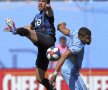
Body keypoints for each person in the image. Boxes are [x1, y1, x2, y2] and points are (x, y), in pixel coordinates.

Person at [5, 0, 56, 90]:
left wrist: (48, 7)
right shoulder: (37, 16)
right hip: (42, 48)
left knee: (27, 32)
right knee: (39, 78)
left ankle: (15, 30)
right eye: (39, 1)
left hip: (48, 40)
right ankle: (53, 88)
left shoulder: (47, 13)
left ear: (47, 3)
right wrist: (17, 29)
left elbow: (50, 11)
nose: (40, 3)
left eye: (43, 1)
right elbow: (30, 27)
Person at [49, 22, 92, 90]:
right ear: (80, 37)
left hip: (68, 69)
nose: (90, 40)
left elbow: (64, 29)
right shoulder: (78, 46)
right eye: (87, 38)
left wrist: (61, 25)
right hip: (71, 71)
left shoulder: (76, 33)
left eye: (90, 37)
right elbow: (64, 56)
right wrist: (55, 74)